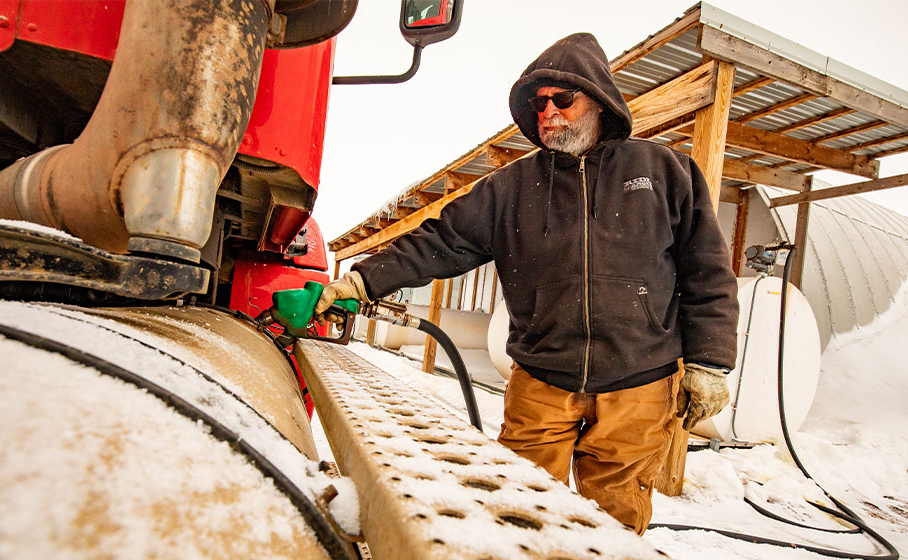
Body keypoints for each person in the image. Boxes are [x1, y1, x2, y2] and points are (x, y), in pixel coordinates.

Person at [314, 33, 739, 535]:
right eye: (539, 104)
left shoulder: (665, 171)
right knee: (517, 506)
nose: (549, 113)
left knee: (617, 517)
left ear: (599, 100)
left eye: (563, 99)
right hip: (542, 377)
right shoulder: (510, 187)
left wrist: (710, 362)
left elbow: (707, 270)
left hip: (641, 379)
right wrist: (361, 282)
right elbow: (440, 240)